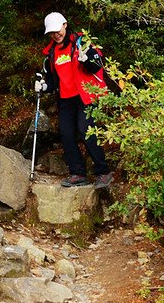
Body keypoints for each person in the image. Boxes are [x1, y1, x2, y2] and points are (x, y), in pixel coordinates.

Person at [35, 11, 113, 188]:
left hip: (84, 95)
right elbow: (52, 81)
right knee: (66, 133)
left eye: (58, 30)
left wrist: (87, 59)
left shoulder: (81, 43)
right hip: (65, 99)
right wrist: (44, 86)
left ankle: (103, 171)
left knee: (86, 130)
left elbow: (97, 63)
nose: (56, 34)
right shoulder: (52, 54)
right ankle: (78, 173)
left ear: (65, 25)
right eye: (52, 32)